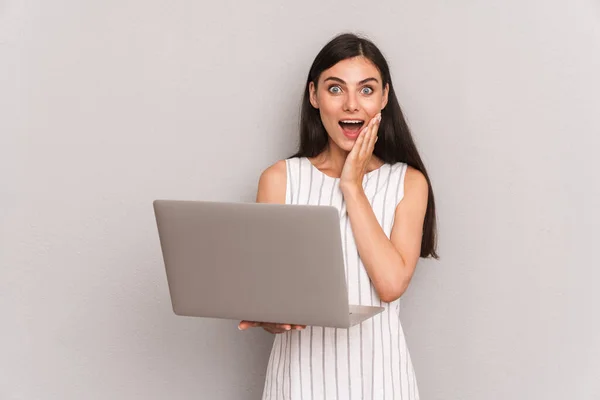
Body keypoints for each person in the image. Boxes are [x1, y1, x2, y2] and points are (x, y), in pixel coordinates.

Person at [239, 32, 438, 400]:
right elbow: (269, 296)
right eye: (335, 89)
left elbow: (391, 284)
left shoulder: (408, 183)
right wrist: (269, 317)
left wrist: (352, 186)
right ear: (314, 95)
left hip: (381, 383)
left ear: (384, 98)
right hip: (297, 385)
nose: (351, 105)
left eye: (366, 90)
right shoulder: (280, 180)